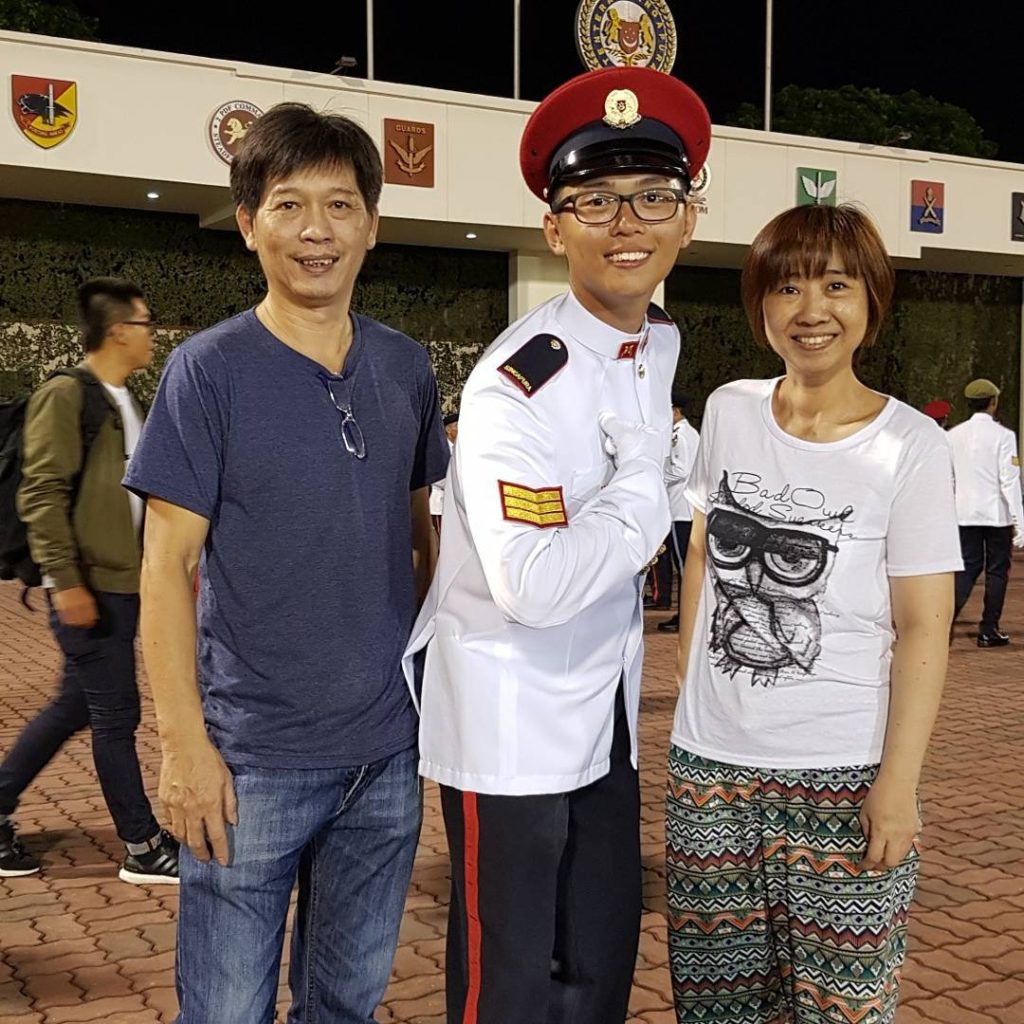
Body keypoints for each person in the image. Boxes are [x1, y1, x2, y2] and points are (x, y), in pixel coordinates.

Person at [123, 103, 448, 1023]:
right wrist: (185, 747)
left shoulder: (405, 368)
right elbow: (165, 568)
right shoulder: (207, 371)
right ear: (248, 225)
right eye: (289, 205)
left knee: (345, 1005)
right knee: (224, 1011)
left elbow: (423, 541)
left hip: (385, 759)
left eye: (341, 206)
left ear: (372, 224)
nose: (317, 230)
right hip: (249, 762)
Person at [404, 66, 711, 1024]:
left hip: (602, 707)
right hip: (512, 714)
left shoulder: (655, 337)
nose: (628, 224)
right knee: (512, 984)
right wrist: (641, 496)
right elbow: (532, 584)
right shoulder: (516, 384)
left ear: (687, 218)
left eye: (653, 197)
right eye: (596, 202)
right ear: (554, 227)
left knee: (599, 960)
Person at [667, 204, 961, 1024]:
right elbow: (700, 549)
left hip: (844, 775)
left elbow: (924, 626)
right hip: (711, 776)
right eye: (787, 286)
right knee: (716, 1004)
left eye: (836, 285)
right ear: (761, 304)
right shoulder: (727, 409)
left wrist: (897, 785)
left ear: (870, 301)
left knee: (842, 1006)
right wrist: (696, 683)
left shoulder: (911, 448)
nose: (810, 309)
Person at [0, 278, 179, 884]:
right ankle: (142, 843)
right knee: (115, 713)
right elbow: (42, 491)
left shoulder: (126, 398)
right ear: (118, 330)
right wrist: (64, 581)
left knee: (74, 705)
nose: (154, 335)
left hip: (121, 586)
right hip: (88, 586)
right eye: (147, 323)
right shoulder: (67, 394)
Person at [947, 378, 1024, 646]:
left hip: (963, 512)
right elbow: (1009, 479)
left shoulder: (952, 435)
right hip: (996, 513)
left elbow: (950, 478)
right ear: (993, 402)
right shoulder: (1004, 436)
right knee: (996, 571)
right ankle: (989, 629)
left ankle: (945, 622)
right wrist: (1020, 520)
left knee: (966, 568)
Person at [658, 389, 700, 633]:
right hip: (685, 508)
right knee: (686, 566)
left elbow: (680, 469)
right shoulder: (688, 433)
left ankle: (687, 618)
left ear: (675, 411)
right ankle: (687, 615)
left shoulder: (680, 436)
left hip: (680, 509)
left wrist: (657, 478)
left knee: (684, 567)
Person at [430, 411, 459, 534]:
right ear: (448, 430)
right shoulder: (440, 449)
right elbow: (436, 477)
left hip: (456, 505)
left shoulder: (460, 448)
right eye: (457, 426)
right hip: (440, 506)